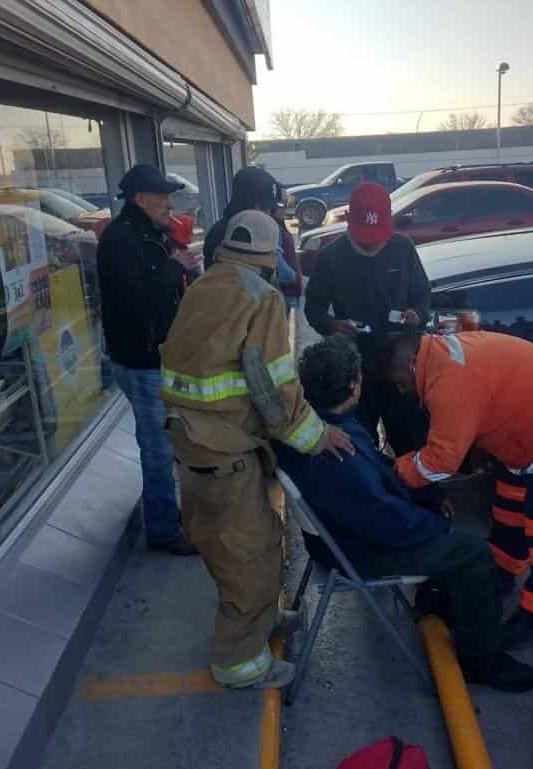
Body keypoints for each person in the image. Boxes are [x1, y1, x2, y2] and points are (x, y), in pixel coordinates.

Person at [274, 336, 533, 692]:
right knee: (473, 553)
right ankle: (482, 659)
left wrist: (427, 493)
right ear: (354, 385)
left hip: (341, 537)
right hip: (360, 550)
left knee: (450, 538)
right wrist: (435, 524)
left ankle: (443, 600)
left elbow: (383, 469)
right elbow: (383, 519)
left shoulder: (321, 428)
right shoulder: (336, 453)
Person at [160, 211, 353, 689]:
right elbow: (274, 387)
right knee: (246, 555)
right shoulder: (260, 298)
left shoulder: (204, 285)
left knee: (243, 544)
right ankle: (240, 663)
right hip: (226, 448)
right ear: (270, 256)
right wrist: (316, 435)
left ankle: (264, 621)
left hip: (192, 444)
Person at [389, 331, 533, 649]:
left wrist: (399, 472)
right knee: (510, 509)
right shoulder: (440, 356)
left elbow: (441, 460)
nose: (403, 390)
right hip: (527, 431)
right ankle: (500, 576)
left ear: (413, 363)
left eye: (401, 381)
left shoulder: (450, 383)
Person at [97, 164, 202, 555]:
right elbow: (131, 299)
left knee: (163, 441)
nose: (168, 203)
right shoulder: (121, 239)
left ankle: (165, 518)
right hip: (141, 359)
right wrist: (175, 267)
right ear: (141, 199)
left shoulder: (144, 232)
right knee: (158, 448)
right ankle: (162, 530)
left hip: (152, 354)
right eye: (161, 197)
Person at [304, 182, 431, 456]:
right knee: (359, 446)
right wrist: (332, 326)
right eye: (365, 237)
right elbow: (313, 309)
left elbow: (423, 295)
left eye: (378, 236)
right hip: (355, 371)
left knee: (410, 441)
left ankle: (411, 494)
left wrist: (417, 314)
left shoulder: (402, 248)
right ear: (350, 221)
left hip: (400, 368)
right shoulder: (331, 257)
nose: (372, 244)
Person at [202, 167, 298, 296]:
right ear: (256, 207)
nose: (270, 215)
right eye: (268, 209)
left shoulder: (220, 231)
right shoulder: (235, 236)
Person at [272, 200, 302, 316]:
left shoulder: (279, 226)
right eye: (280, 205)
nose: (283, 209)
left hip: (291, 292)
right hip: (287, 294)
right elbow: (276, 258)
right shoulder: (274, 228)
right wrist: (293, 277)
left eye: (285, 204)